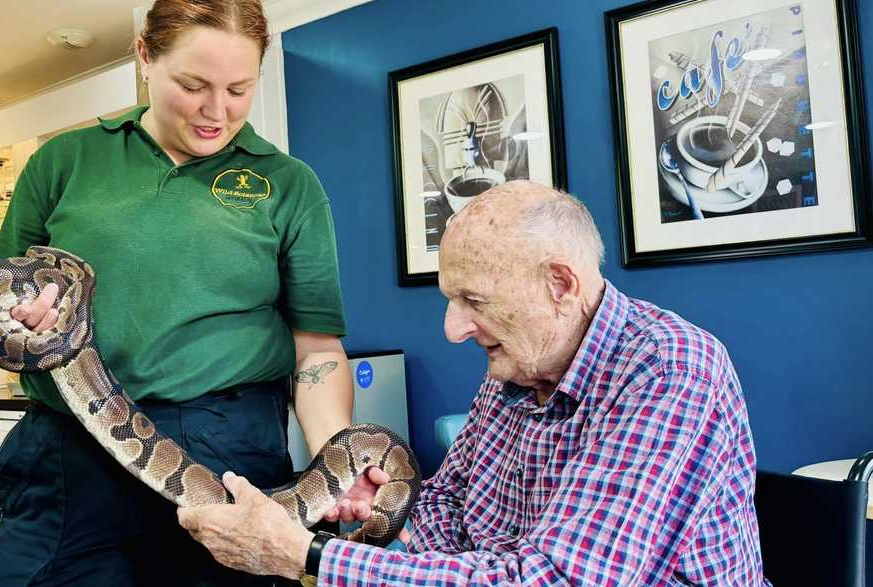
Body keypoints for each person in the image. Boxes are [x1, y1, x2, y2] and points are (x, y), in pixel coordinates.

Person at [0, 1, 388, 585]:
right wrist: (23, 323)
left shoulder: (289, 185)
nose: (216, 112)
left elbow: (316, 350)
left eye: (239, 90)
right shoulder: (62, 164)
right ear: (145, 56)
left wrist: (338, 464)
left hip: (228, 454)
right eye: (193, 85)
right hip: (69, 452)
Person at [177, 180, 769, 585]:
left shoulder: (667, 368)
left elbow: (559, 579)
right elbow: (452, 506)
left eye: (473, 301)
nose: (453, 329)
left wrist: (306, 556)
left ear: (560, 285)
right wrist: (387, 517)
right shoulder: (516, 368)